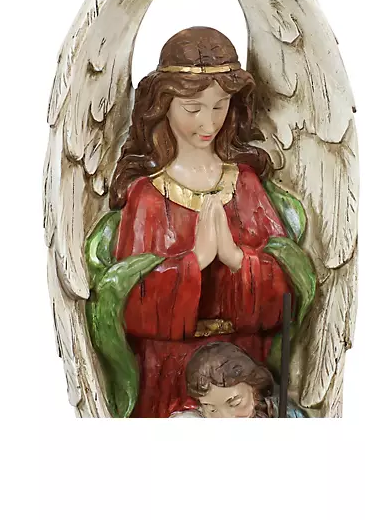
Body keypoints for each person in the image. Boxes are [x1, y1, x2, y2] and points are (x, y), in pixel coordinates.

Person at [109, 26, 292, 418]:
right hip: (170, 368)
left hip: (241, 365)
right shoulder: (147, 196)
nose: (208, 123)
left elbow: (285, 293)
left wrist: (238, 259)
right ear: (163, 105)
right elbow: (126, 302)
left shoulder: (245, 185)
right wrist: (195, 261)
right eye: (193, 109)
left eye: (219, 106)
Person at [170, 342, 307, 418]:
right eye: (211, 409)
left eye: (235, 403)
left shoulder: (283, 413)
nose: (226, 418)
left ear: (255, 390)